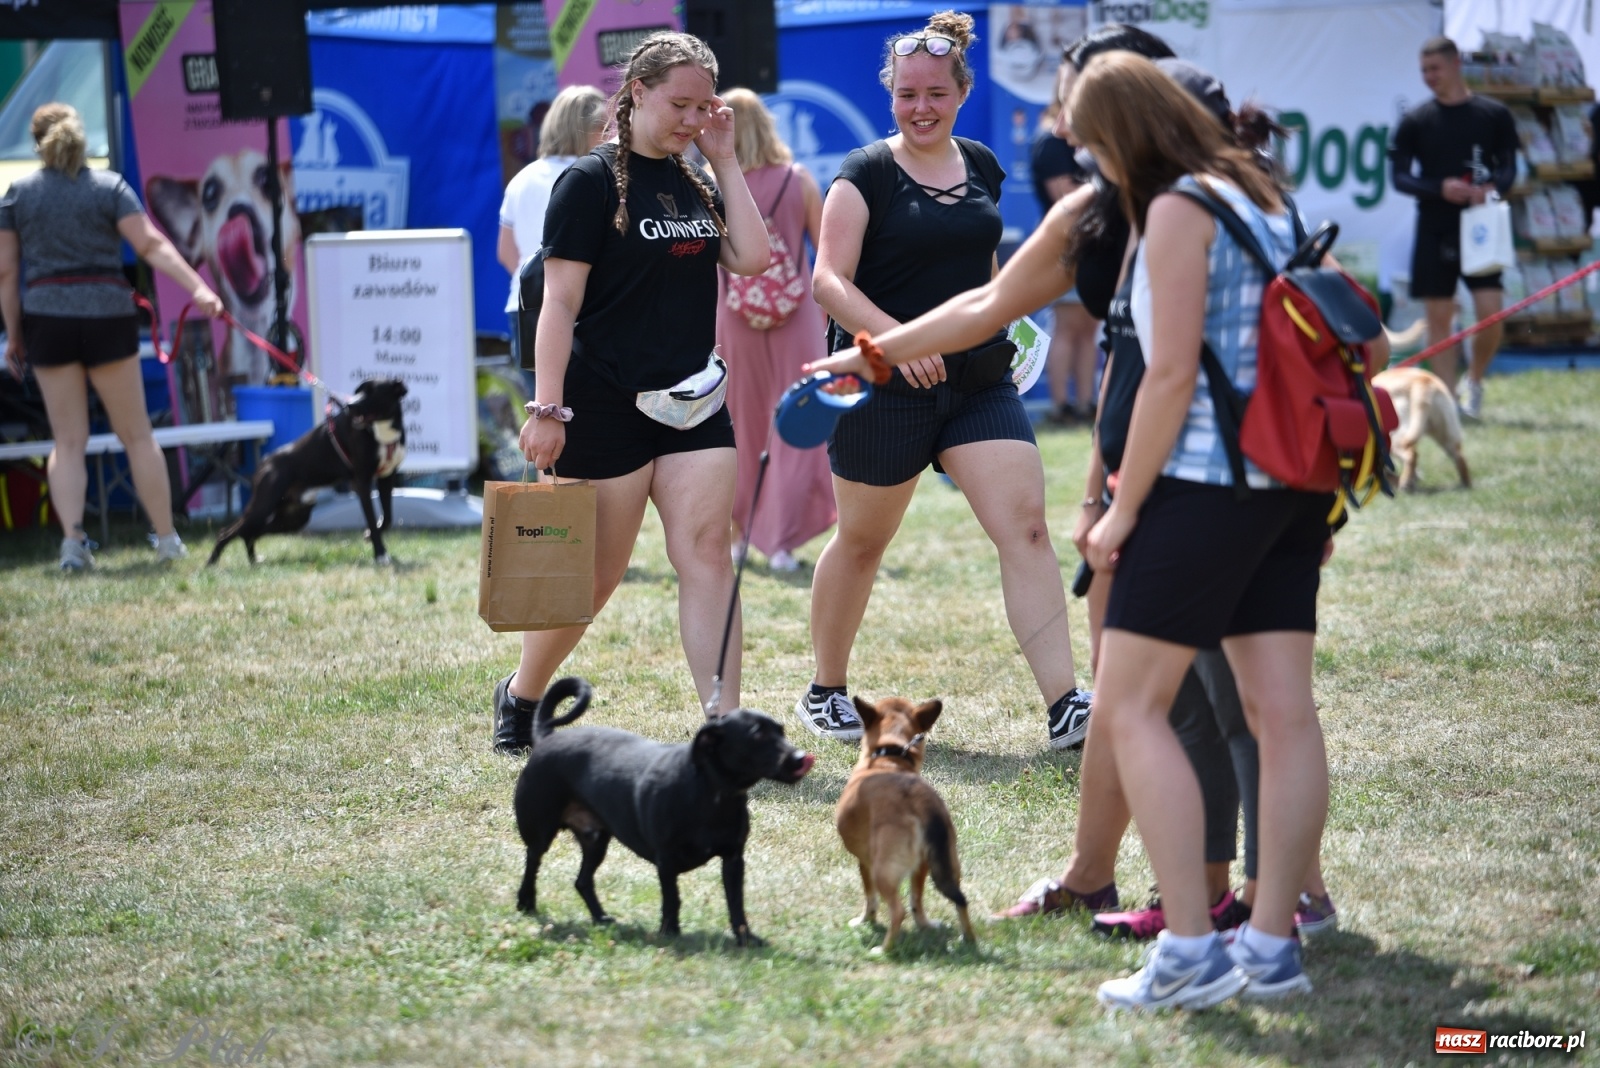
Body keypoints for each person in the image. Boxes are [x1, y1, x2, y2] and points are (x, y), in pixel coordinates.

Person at [1070, 51, 1333, 1007]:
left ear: (1124, 130)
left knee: (1129, 706)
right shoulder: (1264, 194)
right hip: (1291, 484)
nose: (1088, 159)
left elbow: (1169, 374)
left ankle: (1187, 952)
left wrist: (1121, 508)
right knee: (1282, 714)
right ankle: (1270, 952)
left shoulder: (1180, 207)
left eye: (1091, 139)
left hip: (1205, 485)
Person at [800, 10, 1091, 747]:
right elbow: (828, 281)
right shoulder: (863, 173)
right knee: (862, 542)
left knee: (1025, 528)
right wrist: (892, 343)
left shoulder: (983, 163)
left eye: (934, 92)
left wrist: (1016, 325)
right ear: (890, 95)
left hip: (977, 381)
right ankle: (825, 689)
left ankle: (1065, 704)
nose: (920, 107)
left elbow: (988, 273)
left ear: (961, 91)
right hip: (881, 385)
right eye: (906, 94)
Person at [491, 32, 770, 753]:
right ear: (637, 91)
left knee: (708, 553)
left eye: (703, 105)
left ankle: (724, 724)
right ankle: (522, 694)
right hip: (603, 403)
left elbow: (751, 257)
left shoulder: (695, 178)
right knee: (594, 575)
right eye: (679, 103)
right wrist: (546, 409)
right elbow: (557, 304)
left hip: (693, 404)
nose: (690, 117)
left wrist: (726, 159)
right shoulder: (587, 180)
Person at [0, 102, 223, 571]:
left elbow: (6, 272)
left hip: (48, 319)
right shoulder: (110, 186)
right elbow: (151, 245)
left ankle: (72, 545)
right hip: (106, 317)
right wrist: (199, 287)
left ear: (38, 142)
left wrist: (14, 335)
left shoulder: (18, 195)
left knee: (67, 441)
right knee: (138, 435)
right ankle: (165, 540)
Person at [714, 88, 835, 573]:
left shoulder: (714, 186)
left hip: (733, 318)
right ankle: (782, 542)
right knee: (798, 424)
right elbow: (828, 253)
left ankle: (740, 536)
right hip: (798, 317)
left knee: (739, 425)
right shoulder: (798, 179)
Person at [1390, 35, 1517, 419]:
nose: (1429, 77)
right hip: (1435, 225)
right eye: (1424, 70)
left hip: (1482, 227)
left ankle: (1474, 380)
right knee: (1439, 318)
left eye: (1435, 68)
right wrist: (1439, 188)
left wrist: (1494, 187)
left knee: (1491, 313)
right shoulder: (1416, 120)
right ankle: (1446, 404)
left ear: (1456, 63)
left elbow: (1509, 166)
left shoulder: (1493, 114)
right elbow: (1399, 178)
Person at [497, 85, 608, 363]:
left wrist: (537, 284)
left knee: (538, 403)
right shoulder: (595, 176)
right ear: (585, 130)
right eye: (603, 127)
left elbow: (506, 253)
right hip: (582, 312)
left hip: (523, 308)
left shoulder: (522, 178)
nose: (611, 134)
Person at [1030, 99, 1098, 426]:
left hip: (1094, 242)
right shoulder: (1051, 143)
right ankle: (1060, 407)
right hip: (1065, 244)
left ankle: (1085, 404)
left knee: (1088, 329)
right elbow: (1067, 199)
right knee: (1068, 327)